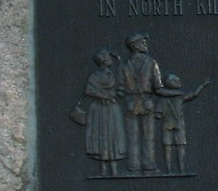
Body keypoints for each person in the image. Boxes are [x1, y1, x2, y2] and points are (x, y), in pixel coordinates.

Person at [117, 33, 165, 173]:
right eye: (142, 42)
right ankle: (148, 165)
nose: (145, 44)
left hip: (131, 103)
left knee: (132, 136)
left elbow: (119, 90)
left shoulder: (123, 66)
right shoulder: (152, 64)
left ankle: (134, 166)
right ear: (136, 46)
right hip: (147, 102)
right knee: (148, 136)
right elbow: (158, 87)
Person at [83, 49, 127, 176]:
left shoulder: (113, 75)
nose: (110, 59)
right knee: (101, 136)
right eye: (108, 56)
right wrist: (104, 95)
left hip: (112, 108)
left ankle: (114, 170)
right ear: (103, 60)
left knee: (113, 136)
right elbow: (89, 90)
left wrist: (120, 63)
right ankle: (103, 169)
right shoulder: (94, 76)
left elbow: (120, 86)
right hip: (99, 109)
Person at [159, 74, 209, 174]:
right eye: (177, 80)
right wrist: (203, 85)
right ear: (171, 83)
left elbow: (158, 114)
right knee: (179, 146)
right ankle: (181, 170)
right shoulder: (180, 96)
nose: (179, 82)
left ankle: (169, 171)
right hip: (178, 124)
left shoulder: (162, 99)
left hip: (167, 124)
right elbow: (194, 94)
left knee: (168, 147)